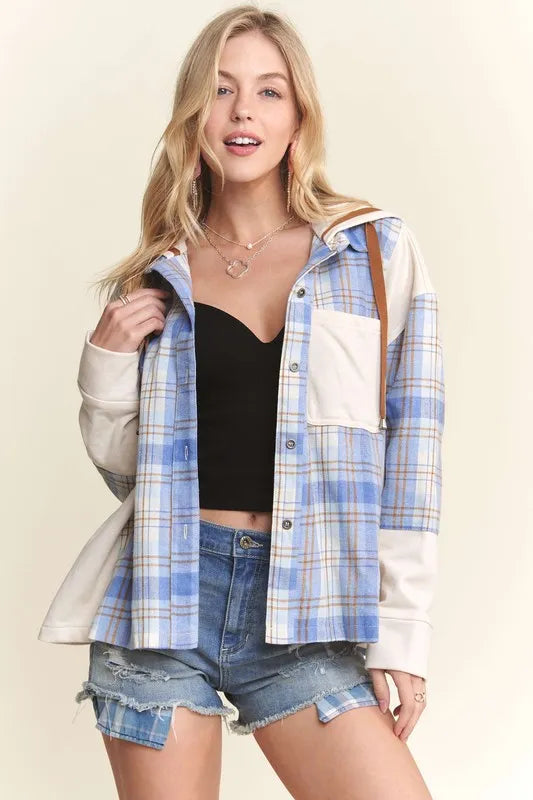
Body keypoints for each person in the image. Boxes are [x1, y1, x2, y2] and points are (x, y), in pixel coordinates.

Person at [38, 5, 445, 798]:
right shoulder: (159, 273)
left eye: (267, 91)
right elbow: (128, 474)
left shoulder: (371, 251)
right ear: (195, 114)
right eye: (221, 91)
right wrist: (106, 367)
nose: (242, 113)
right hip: (163, 598)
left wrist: (402, 631)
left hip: (307, 608)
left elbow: (412, 456)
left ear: (299, 115)